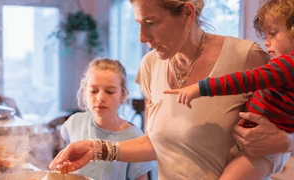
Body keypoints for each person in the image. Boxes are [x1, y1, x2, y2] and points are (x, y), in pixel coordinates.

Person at [49, 0, 288, 179]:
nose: (142, 37)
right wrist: (96, 148)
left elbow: (280, 126)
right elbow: (158, 143)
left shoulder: (245, 57)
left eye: (151, 23)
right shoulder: (150, 66)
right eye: (139, 24)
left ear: (187, 13)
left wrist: (288, 142)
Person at [163, 0, 294, 179]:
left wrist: (200, 88)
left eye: (273, 34)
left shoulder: (288, 65)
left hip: (261, 152)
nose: (266, 42)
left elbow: (247, 80)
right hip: (250, 144)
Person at [57, 58, 155, 180]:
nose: (100, 97)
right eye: (93, 91)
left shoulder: (135, 137)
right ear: (85, 93)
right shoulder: (74, 122)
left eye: (109, 92)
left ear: (123, 95)